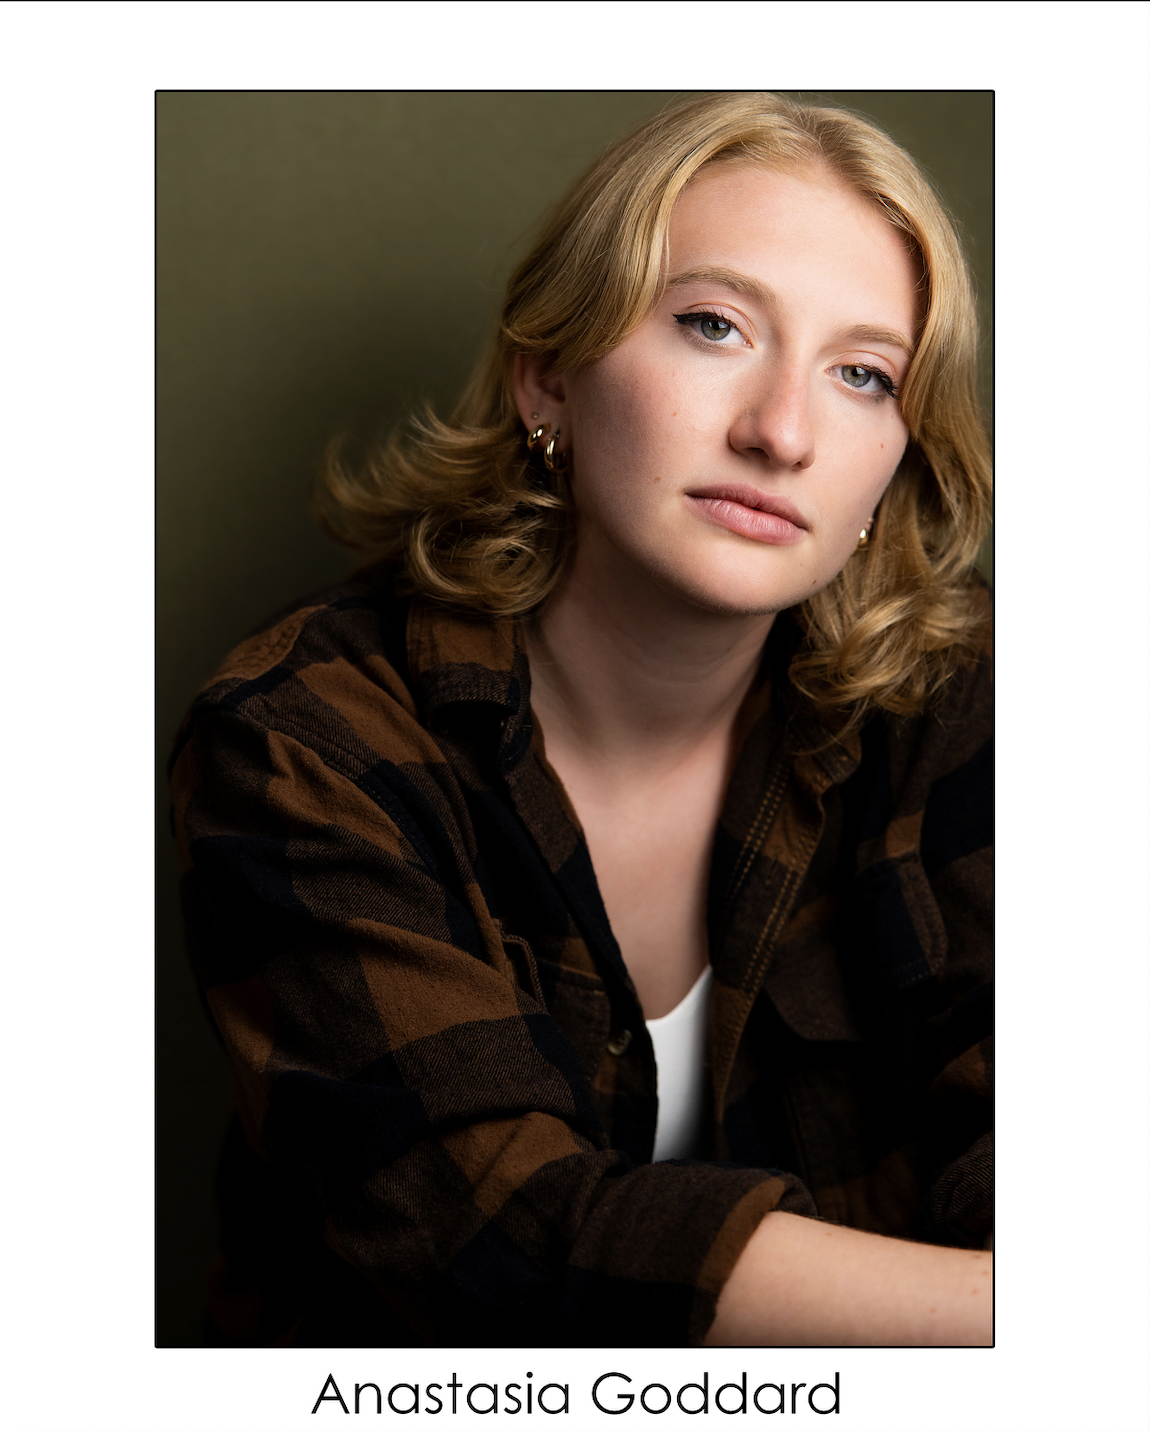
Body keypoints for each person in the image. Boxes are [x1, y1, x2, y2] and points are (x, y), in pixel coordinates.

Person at [171, 91, 992, 1349]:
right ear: (549, 376)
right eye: (714, 326)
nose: (782, 431)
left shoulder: (965, 712)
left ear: (895, 461)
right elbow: (491, 1235)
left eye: (863, 375)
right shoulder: (303, 735)